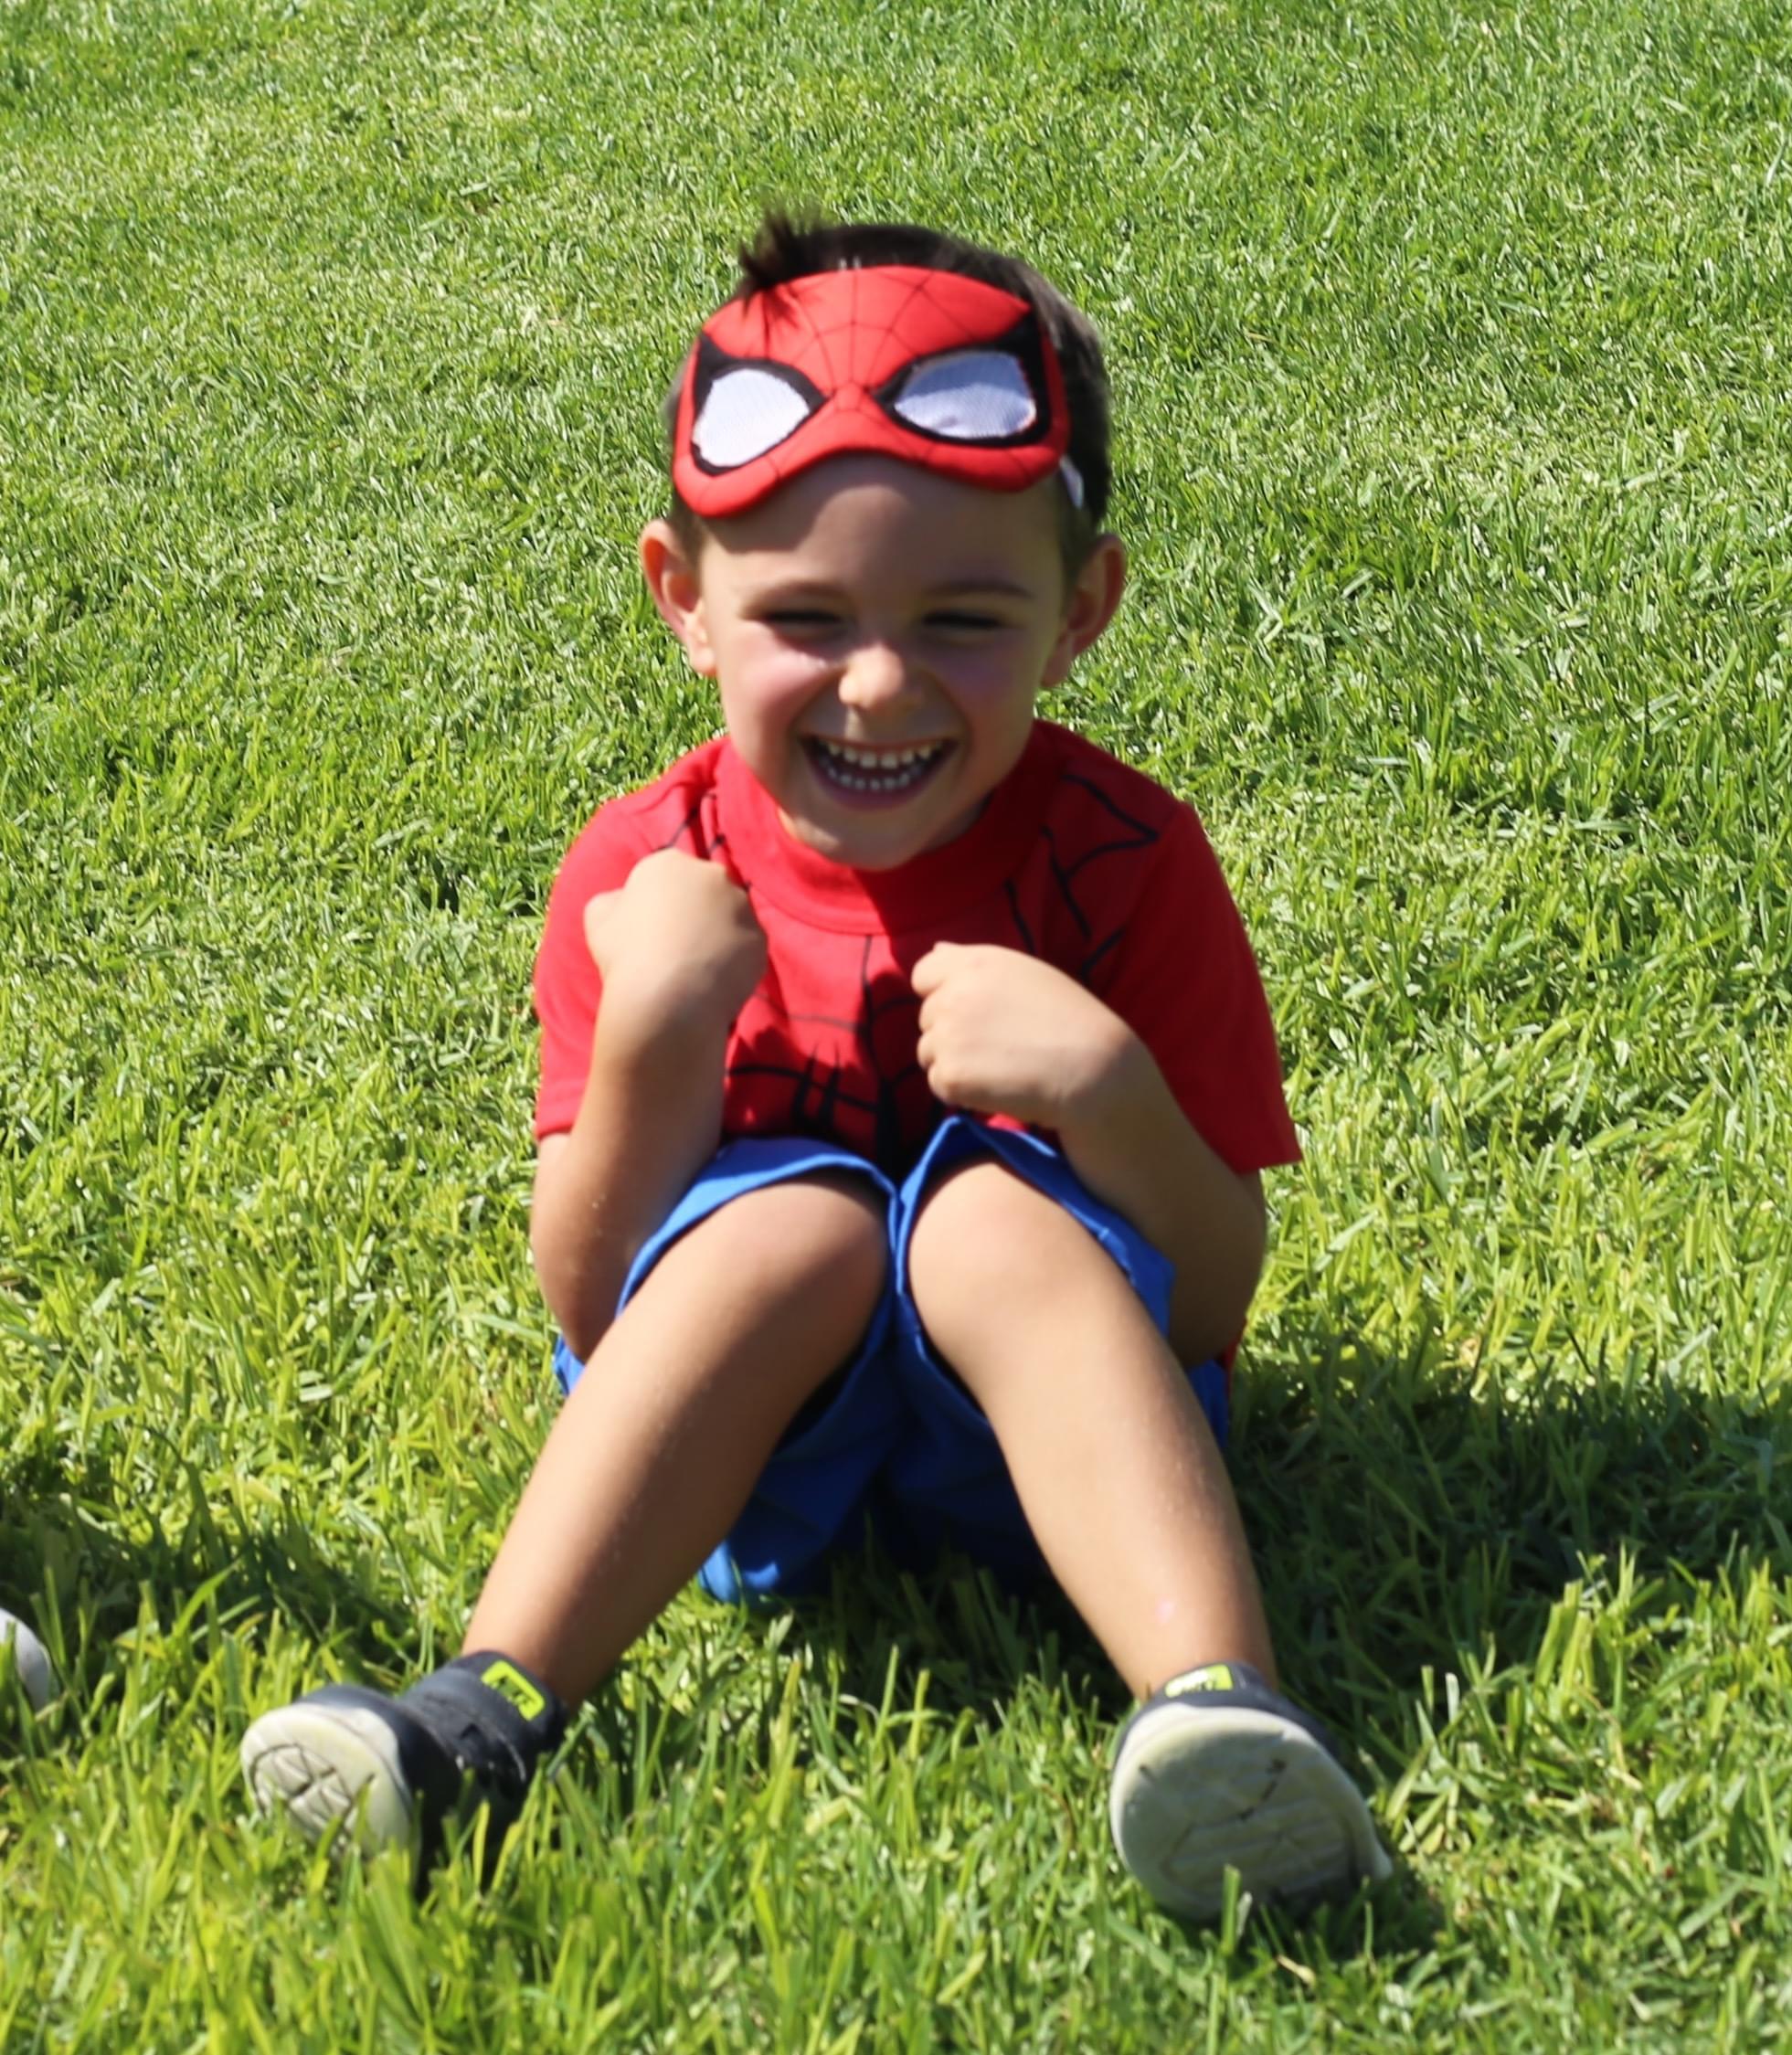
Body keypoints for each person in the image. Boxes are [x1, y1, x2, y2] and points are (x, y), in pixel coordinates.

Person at [241, 215, 1391, 1919]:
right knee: (791, 1226)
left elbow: (1213, 1300)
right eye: (802, 614)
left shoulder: (1127, 863)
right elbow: (588, 1305)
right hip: (738, 1453)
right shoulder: (645, 872)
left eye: (962, 616)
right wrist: (655, 1032)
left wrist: (1108, 1091)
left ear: (1080, 608)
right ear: (682, 601)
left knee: (987, 1225)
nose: (877, 682)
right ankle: (478, 1710)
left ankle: (1221, 1709)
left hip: (1070, 1453)